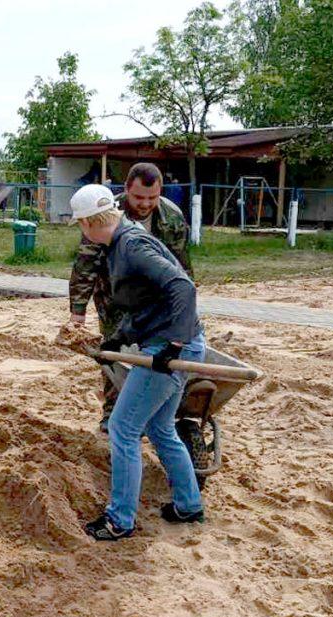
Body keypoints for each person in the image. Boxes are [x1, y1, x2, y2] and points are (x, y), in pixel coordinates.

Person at [68, 184, 208, 540]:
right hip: (170, 342)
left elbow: (182, 287)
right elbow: (145, 302)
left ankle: (119, 520)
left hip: (172, 348)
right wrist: (120, 335)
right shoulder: (121, 243)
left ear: (86, 223)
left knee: (123, 428)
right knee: (161, 428)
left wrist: (173, 344)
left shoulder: (131, 245)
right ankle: (188, 505)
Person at [68, 163, 192, 432]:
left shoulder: (172, 216)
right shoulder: (103, 213)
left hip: (154, 301)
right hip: (114, 296)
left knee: (156, 349)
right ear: (126, 190)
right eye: (138, 197)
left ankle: (154, 406)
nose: (145, 203)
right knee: (114, 354)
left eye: (152, 197)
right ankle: (112, 411)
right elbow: (85, 265)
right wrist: (78, 310)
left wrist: (182, 314)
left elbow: (180, 266)